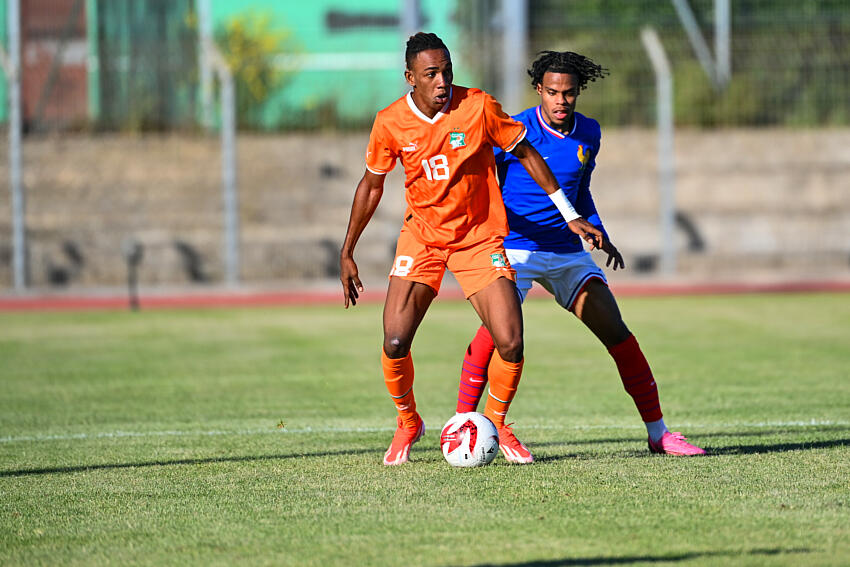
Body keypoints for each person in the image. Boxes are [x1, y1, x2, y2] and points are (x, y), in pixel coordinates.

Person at [340, 34, 604, 466]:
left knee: (510, 341)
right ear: (410, 78)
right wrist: (347, 251)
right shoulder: (390, 122)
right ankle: (408, 422)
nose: (442, 81)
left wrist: (569, 213)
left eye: (447, 71)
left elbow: (527, 153)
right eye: (431, 74)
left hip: (479, 238)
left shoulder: (478, 106)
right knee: (394, 339)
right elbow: (371, 186)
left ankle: (496, 423)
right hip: (423, 238)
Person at [454, 50, 705, 461]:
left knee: (617, 332)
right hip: (514, 249)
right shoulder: (514, 129)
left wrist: (599, 230)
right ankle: (463, 425)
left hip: (567, 252)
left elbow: (580, 191)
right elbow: (482, 182)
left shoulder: (589, 132)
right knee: (498, 336)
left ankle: (659, 434)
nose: (561, 101)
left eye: (568, 93)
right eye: (552, 92)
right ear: (539, 89)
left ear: (578, 92)